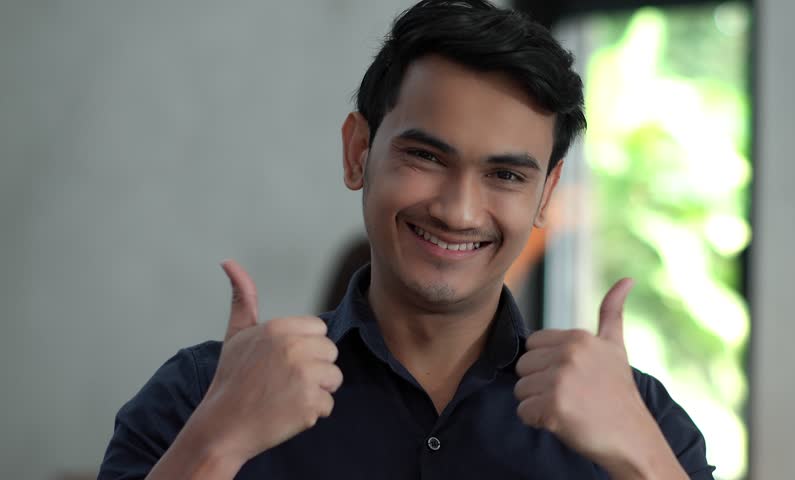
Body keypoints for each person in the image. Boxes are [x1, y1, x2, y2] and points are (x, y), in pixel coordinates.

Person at [97, 1, 714, 479]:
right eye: (426, 156)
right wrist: (217, 443)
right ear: (358, 152)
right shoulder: (199, 398)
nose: (458, 209)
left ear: (546, 193)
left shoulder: (642, 420)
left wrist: (643, 463)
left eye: (505, 174)